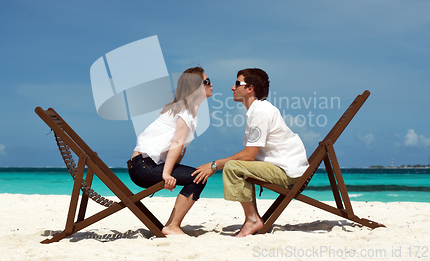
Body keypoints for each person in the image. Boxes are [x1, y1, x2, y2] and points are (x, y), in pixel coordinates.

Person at [192, 68, 309, 237]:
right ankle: (252, 218)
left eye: (237, 83)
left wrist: (214, 165)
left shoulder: (261, 112)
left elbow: (249, 155)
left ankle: (252, 220)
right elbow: (249, 155)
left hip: (287, 172)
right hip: (288, 168)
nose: (233, 87)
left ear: (250, 89)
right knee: (236, 166)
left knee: (233, 168)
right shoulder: (258, 111)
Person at [127, 66, 213, 235]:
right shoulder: (185, 109)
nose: (211, 84)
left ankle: (172, 225)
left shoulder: (187, 110)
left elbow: (179, 148)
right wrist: (167, 174)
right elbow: (177, 142)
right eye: (207, 81)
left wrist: (173, 171)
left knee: (197, 176)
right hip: (144, 166)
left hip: (143, 165)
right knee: (199, 178)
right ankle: (172, 226)